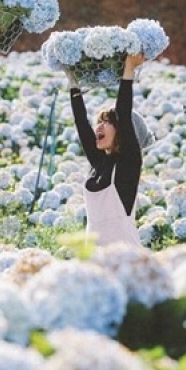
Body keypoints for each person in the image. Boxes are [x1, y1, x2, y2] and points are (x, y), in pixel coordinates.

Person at [69, 54, 155, 248]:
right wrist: (73, 81)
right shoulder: (99, 163)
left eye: (107, 122)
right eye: (99, 121)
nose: (99, 126)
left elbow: (124, 114)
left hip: (125, 257)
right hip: (94, 257)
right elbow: (81, 123)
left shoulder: (128, 165)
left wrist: (129, 69)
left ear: (124, 132)